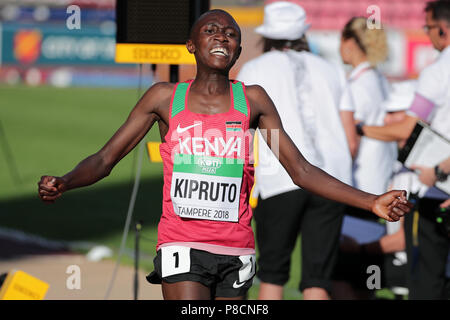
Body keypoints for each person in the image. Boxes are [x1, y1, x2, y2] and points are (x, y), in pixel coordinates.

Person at [38, 9, 412, 300]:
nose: (222, 36)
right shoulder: (164, 98)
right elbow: (105, 160)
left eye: (231, 33)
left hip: (236, 249)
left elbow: (300, 171)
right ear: (191, 44)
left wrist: (372, 201)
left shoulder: (253, 101)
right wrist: (66, 181)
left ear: (238, 48)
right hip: (181, 243)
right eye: (211, 31)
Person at [236, 1, 352, 300]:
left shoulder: (254, 68)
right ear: (302, 33)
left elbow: (243, 133)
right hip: (330, 179)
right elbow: (351, 139)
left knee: (272, 274)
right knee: (318, 279)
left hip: (279, 176)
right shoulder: (331, 69)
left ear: (268, 35)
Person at [358, 0, 450, 299]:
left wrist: (362, 129)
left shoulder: (438, 71)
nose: (428, 34)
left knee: (426, 283)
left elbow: (409, 129)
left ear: (442, 29)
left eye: (428, 28)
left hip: (438, 190)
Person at [339, 16, 396, 196]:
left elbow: (352, 141)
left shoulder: (358, 84)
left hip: (362, 183)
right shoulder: (377, 78)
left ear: (349, 43)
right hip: (381, 175)